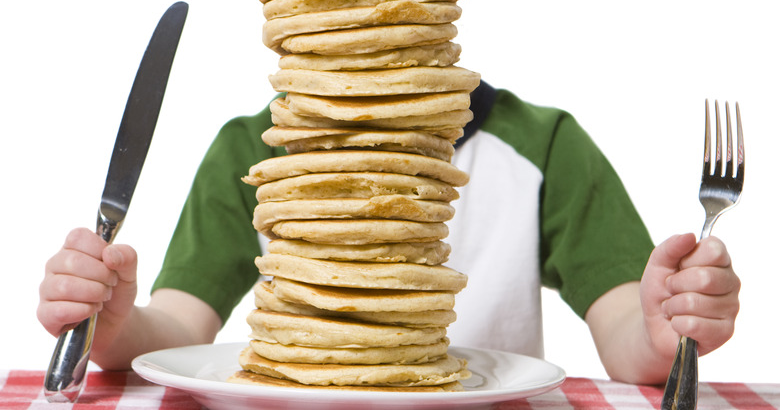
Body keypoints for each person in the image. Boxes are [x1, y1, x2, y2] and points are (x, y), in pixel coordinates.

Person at [37, 81, 740, 385]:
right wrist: (115, 324)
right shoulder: (253, 149)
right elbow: (180, 329)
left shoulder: (545, 145)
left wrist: (662, 327)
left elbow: (628, 335)